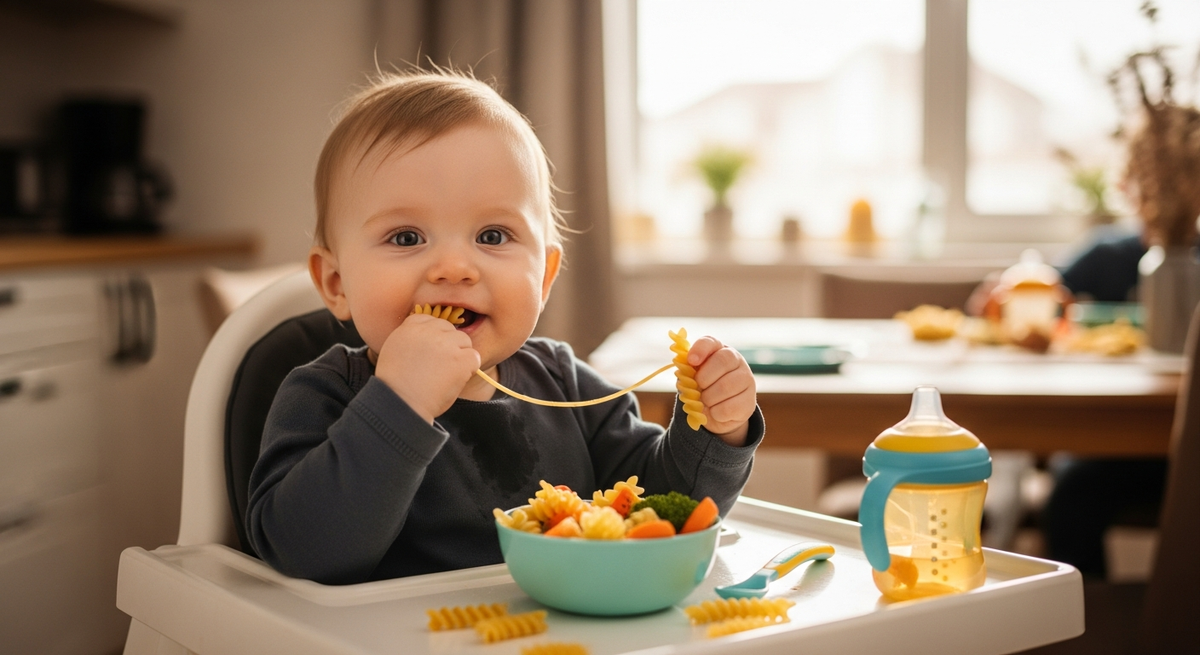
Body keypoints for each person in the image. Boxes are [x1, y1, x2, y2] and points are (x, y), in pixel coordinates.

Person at [245, 71, 763, 585]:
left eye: (492, 234)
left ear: (544, 276)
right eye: (405, 238)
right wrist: (399, 404)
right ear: (335, 282)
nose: (453, 267)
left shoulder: (565, 385)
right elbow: (302, 553)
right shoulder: (322, 395)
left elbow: (666, 520)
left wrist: (716, 429)